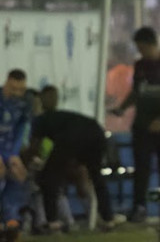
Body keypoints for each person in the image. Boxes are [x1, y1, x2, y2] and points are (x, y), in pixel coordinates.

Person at [110, 27, 160, 222]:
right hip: (143, 126)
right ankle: (139, 208)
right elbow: (137, 92)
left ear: (151, 44)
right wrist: (122, 108)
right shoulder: (140, 66)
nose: (140, 52)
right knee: (141, 168)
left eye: (142, 47)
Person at [28, 86, 118, 232]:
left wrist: (33, 161)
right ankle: (108, 218)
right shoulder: (63, 116)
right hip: (95, 131)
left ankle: (52, 221)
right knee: (96, 176)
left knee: (49, 177)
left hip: (72, 137)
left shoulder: (40, 120)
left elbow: (35, 147)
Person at [0, 69, 31, 242]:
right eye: (14, 89)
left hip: (8, 150)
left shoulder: (25, 103)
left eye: (21, 90)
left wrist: (13, 154)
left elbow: (22, 129)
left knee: (19, 175)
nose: (17, 93)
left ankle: (11, 222)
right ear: (6, 83)